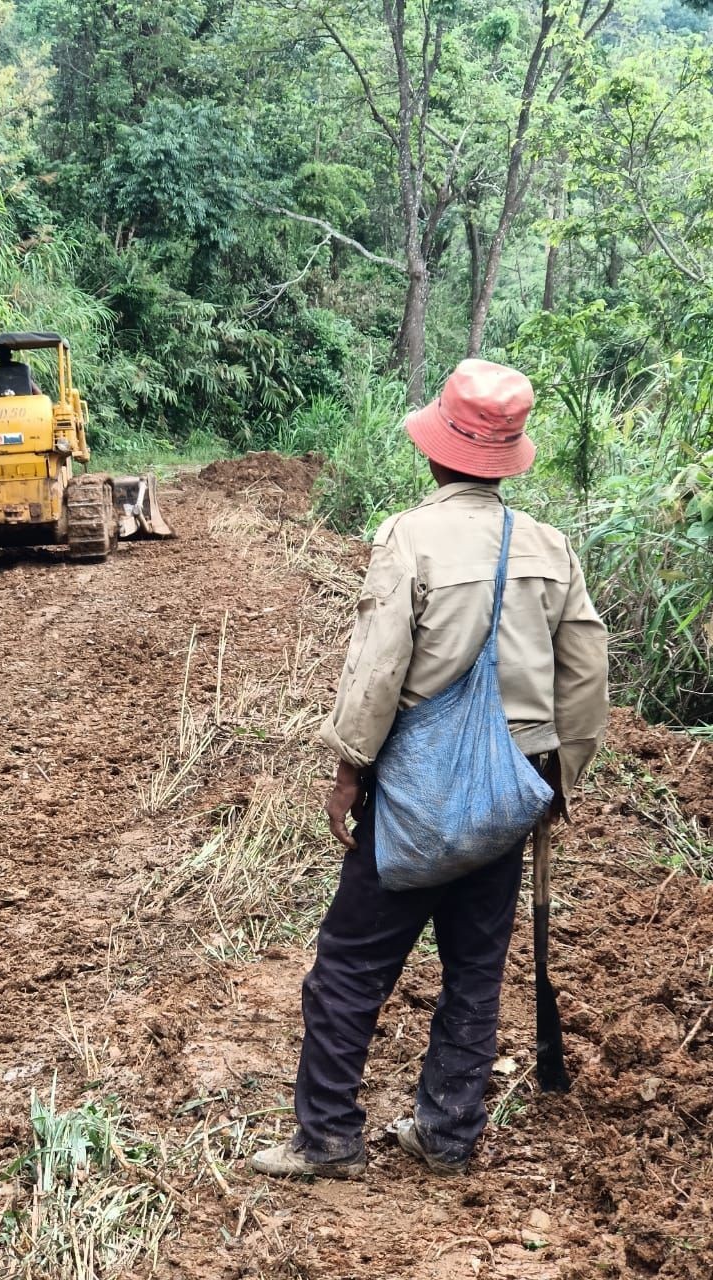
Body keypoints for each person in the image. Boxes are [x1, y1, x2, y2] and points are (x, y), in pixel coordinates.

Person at [251, 358, 609, 1180]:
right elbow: (586, 678)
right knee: (475, 974)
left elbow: (378, 670)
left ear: (438, 451)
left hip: (417, 794)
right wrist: (558, 783)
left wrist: (348, 770)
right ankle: (448, 1135)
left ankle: (328, 1138)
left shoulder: (410, 537)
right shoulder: (550, 549)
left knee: (348, 966)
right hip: (510, 793)